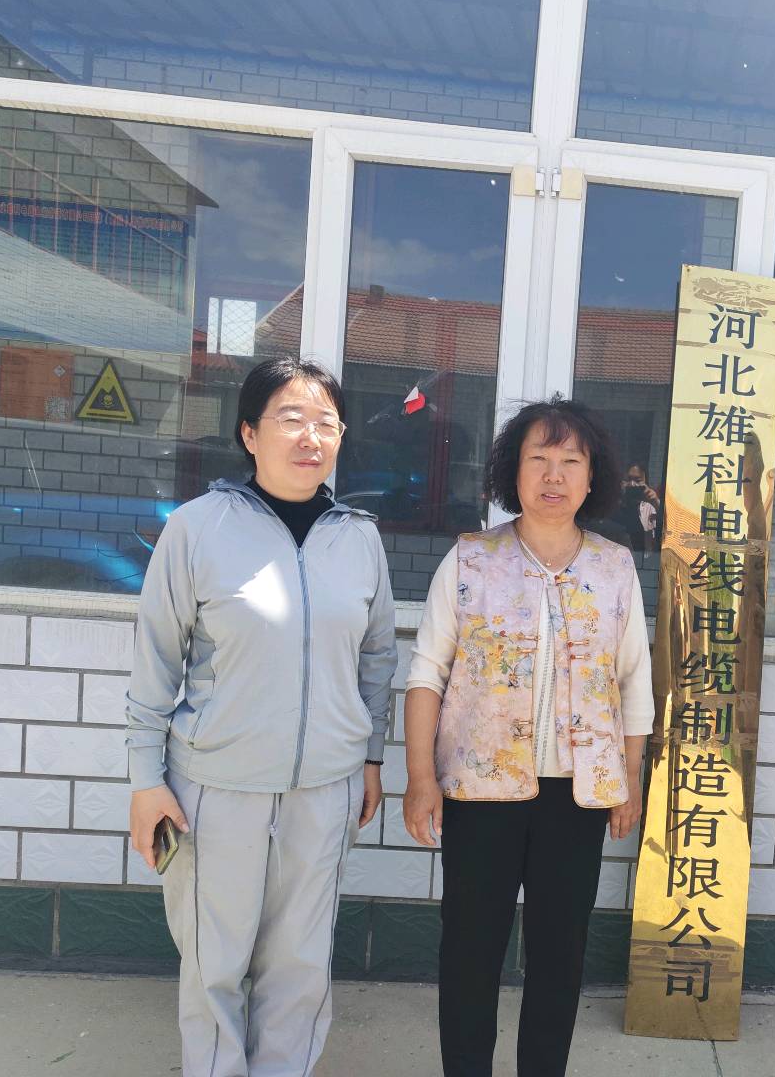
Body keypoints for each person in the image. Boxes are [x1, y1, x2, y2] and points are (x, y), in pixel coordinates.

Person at [125, 355, 397, 1077]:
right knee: (213, 962)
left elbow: (377, 658)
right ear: (249, 433)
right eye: (290, 418)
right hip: (214, 788)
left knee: (301, 964)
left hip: (327, 787)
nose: (311, 436)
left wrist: (372, 758)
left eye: (326, 423)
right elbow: (155, 661)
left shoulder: (359, 538)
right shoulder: (197, 528)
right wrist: (144, 779)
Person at [401, 397, 653, 1077]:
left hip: (576, 797)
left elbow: (633, 680)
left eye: (571, 460)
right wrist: (420, 778)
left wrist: (630, 779)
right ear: (512, 471)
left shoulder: (614, 568)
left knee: (558, 958)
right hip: (479, 791)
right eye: (538, 458)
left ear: (593, 476)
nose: (553, 475)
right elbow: (426, 673)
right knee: (470, 954)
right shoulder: (471, 560)